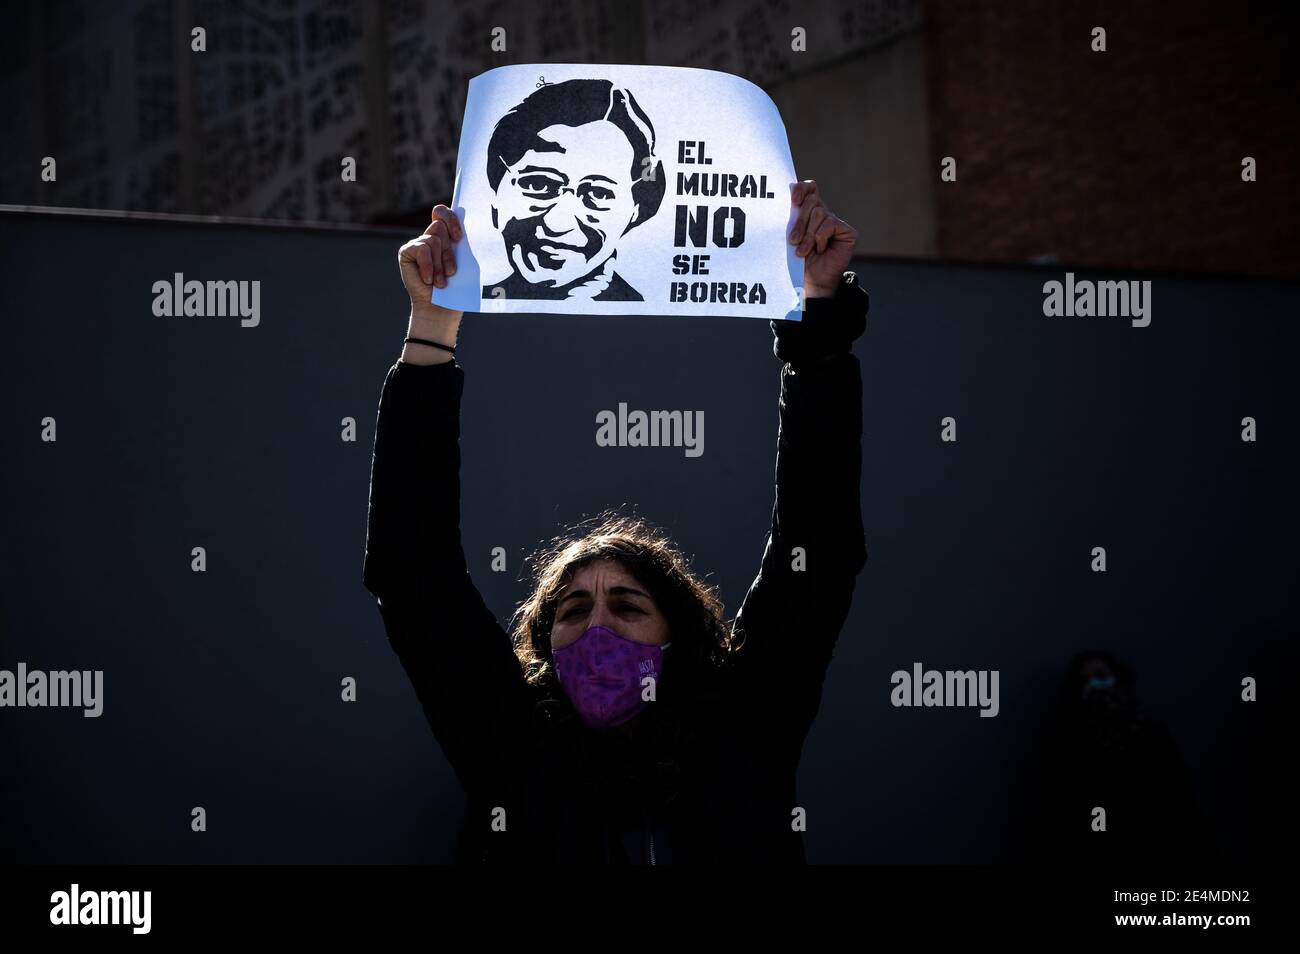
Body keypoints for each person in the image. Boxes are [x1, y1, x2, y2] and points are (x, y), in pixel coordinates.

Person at [363, 180, 869, 863]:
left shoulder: (747, 724)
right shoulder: (510, 742)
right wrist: (432, 325)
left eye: (627, 605)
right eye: (571, 611)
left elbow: (818, 549)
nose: (596, 627)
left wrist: (816, 314)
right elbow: (414, 571)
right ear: (543, 644)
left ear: (678, 632)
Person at [481, 78, 665, 301]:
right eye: (537, 185)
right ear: (494, 201)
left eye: (598, 194)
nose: (557, 224)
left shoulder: (657, 322)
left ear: (635, 209)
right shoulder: (465, 307)